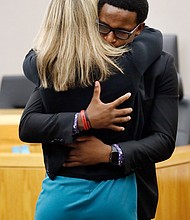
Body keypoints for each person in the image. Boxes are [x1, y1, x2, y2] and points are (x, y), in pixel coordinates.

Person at [19, 0, 178, 220]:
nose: (110, 39)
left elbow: (164, 141)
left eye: (122, 32)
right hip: (66, 189)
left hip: (129, 190)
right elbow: (28, 125)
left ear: (138, 29)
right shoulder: (64, 67)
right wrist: (83, 120)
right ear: (91, 21)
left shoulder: (159, 65)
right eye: (102, 28)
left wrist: (111, 153)